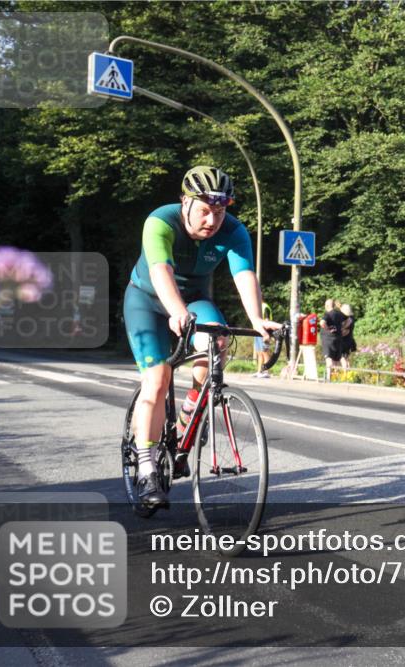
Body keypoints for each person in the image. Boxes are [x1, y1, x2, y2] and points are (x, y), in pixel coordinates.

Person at [123, 166, 282, 509]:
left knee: (217, 342)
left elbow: (244, 275)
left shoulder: (234, 231)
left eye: (220, 211)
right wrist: (177, 312)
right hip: (147, 300)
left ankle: (188, 416)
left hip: (195, 299)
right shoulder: (160, 222)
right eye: (204, 210)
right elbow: (160, 270)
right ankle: (147, 466)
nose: (212, 219)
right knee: (157, 379)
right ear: (185, 203)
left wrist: (256, 319)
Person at [319, 298, 344, 373]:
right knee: (336, 360)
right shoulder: (339, 314)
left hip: (328, 340)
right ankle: (336, 378)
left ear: (327, 306)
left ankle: (329, 378)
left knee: (329, 359)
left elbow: (322, 323)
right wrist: (342, 328)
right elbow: (348, 320)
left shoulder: (328, 314)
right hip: (338, 339)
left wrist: (327, 329)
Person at [253, 302, 274, 378]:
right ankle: (259, 371)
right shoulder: (256, 307)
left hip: (264, 332)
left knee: (265, 352)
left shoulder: (265, 307)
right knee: (259, 352)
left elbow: (267, 320)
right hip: (257, 331)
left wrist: (267, 334)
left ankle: (266, 371)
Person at [339, 303, 356, 369]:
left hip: (344, 341)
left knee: (342, 358)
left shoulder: (347, 320)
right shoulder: (352, 319)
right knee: (347, 358)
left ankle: (345, 374)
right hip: (350, 340)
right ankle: (348, 374)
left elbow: (343, 331)